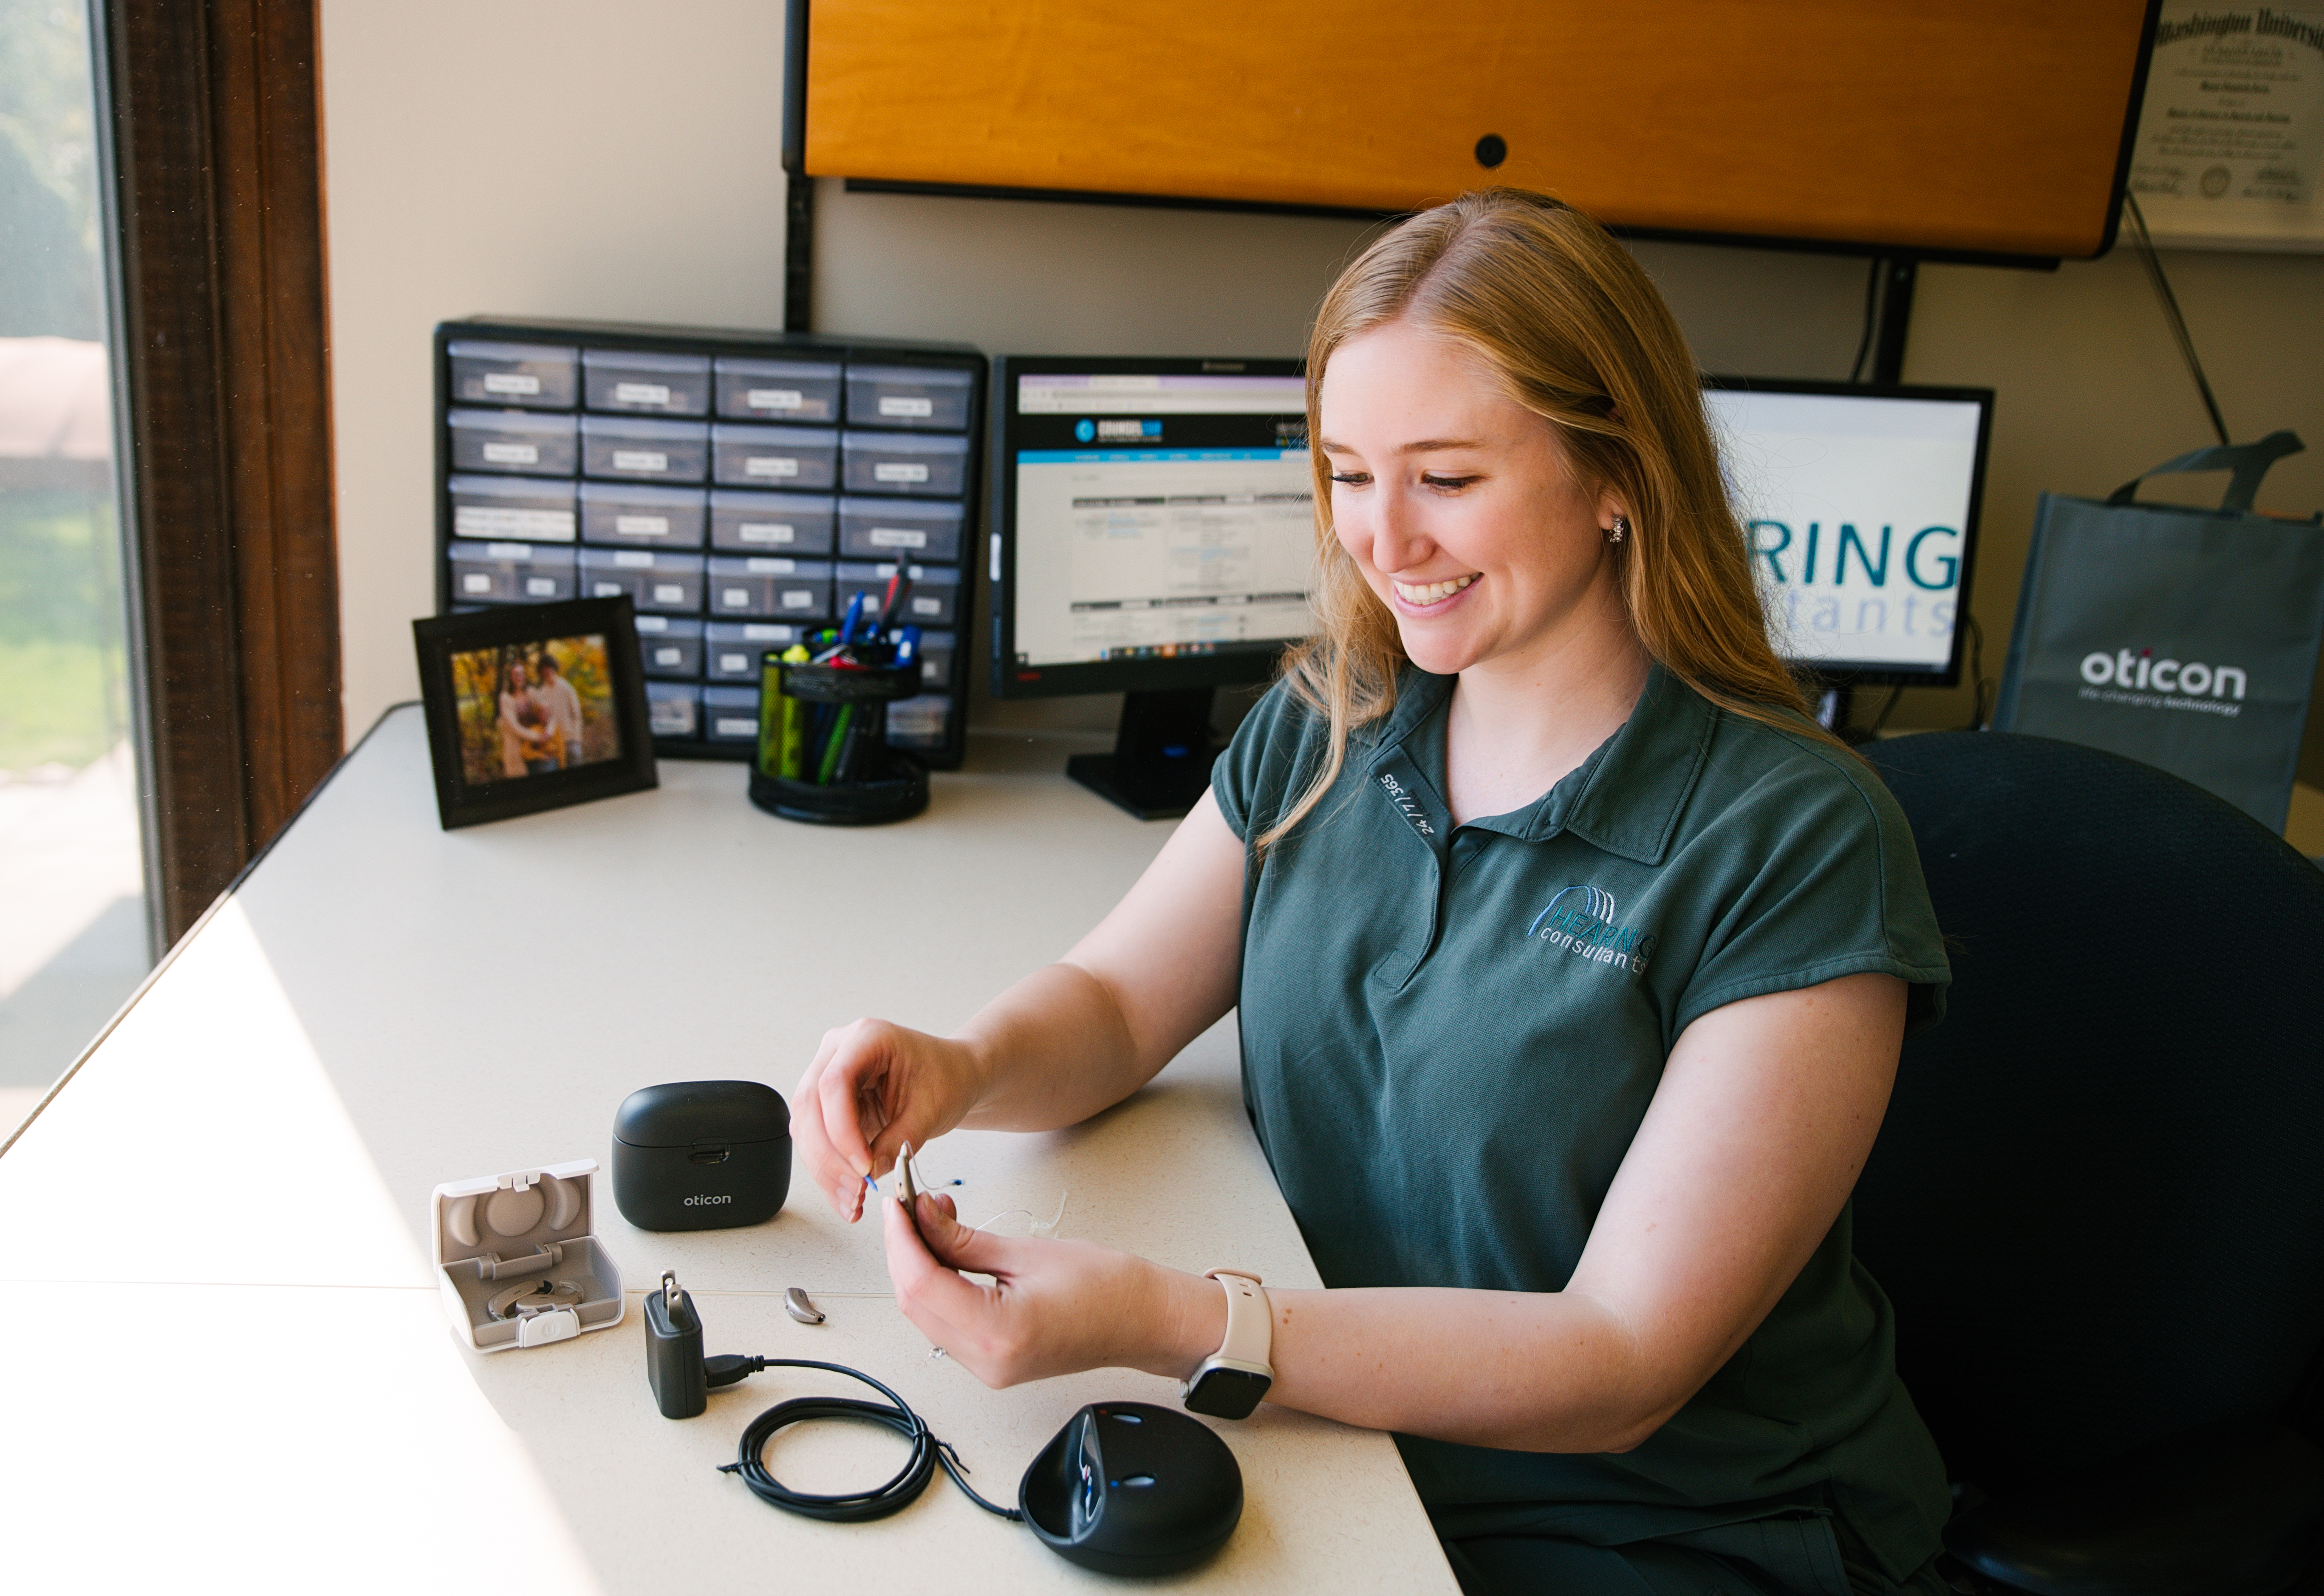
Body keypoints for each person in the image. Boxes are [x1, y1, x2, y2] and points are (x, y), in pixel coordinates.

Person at [792, 189, 1954, 1596]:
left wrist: (1175, 1320)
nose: (1380, 538)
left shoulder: (1797, 841)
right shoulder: (1334, 720)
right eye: (1347, 471)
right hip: (1352, 1443)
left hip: (1670, 1521)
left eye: (1444, 477)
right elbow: (1109, 1002)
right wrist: (957, 1063)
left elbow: (1622, 1361)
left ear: (1616, 476)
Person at [533, 650, 584, 767]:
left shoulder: (566, 687)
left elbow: (577, 714)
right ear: (541, 673)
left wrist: (577, 738)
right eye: (543, 670)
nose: (547, 672)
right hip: (555, 743)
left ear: (554, 668)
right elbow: (546, 720)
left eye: (548, 668)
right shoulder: (542, 693)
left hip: (571, 741)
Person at [495, 658, 544, 776]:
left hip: (536, 747)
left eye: (522, 674)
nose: (520, 677)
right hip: (517, 749)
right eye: (516, 674)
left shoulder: (532, 692)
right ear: (510, 678)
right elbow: (514, 728)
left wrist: (548, 732)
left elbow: (548, 710)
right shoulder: (505, 698)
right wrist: (537, 737)